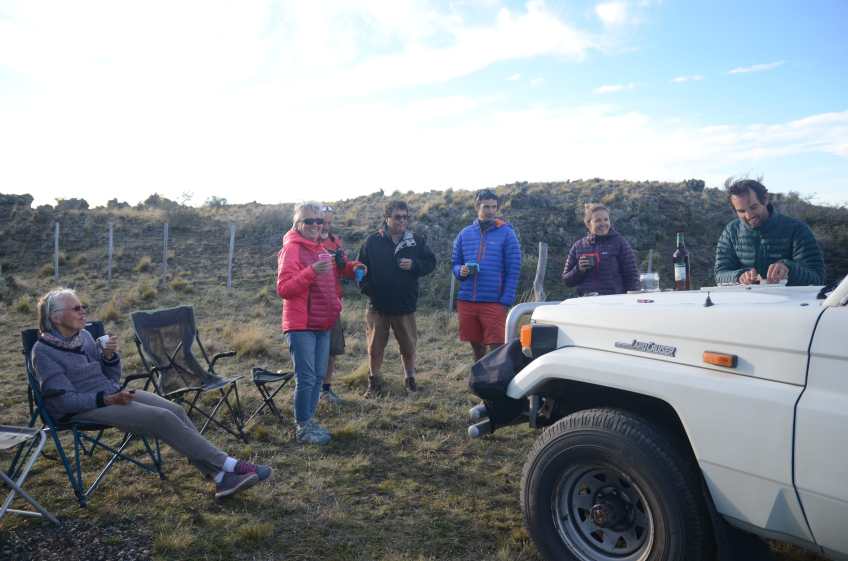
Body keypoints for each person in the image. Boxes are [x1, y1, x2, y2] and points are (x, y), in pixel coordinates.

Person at [31, 288, 272, 500]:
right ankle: (230, 465)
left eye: (83, 306)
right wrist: (105, 399)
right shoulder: (43, 353)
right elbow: (62, 402)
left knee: (175, 410)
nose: (83, 311)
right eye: (76, 308)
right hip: (82, 408)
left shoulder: (83, 337)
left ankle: (220, 478)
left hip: (110, 394)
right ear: (56, 317)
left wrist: (109, 357)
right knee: (161, 418)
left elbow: (110, 378)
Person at [276, 201, 340, 444]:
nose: (315, 225)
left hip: (322, 323)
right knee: (306, 377)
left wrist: (336, 305)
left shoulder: (320, 249)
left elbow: (328, 287)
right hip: (300, 323)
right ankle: (302, 426)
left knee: (318, 375)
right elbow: (284, 289)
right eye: (309, 221)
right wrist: (311, 271)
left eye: (319, 221)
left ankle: (309, 420)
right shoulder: (291, 249)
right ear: (297, 223)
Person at [357, 200, 436, 397]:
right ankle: (374, 382)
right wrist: (368, 289)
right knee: (375, 348)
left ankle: (410, 380)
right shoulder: (372, 241)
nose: (402, 221)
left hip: (404, 305)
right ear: (387, 218)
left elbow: (431, 263)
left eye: (405, 217)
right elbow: (359, 268)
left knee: (408, 346)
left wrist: (415, 265)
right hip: (378, 306)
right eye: (397, 217)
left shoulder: (416, 240)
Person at [451, 189, 522, 361]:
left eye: (493, 207)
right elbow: (455, 264)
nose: (490, 211)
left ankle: (496, 375)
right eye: (486, 207)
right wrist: (461, 271)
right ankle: (479, 372)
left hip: (494, 301)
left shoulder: (507, 234)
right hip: (467, 300)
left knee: (497, 346)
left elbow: (513, 269)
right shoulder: (464, 234)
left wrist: (505, 300)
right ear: (477, 207)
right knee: (476, 345)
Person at [715, 178, 825, 286]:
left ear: (765, 199)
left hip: (789, 297)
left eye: (753, 207)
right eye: (741, 211)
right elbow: (720, 275)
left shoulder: (797, 229)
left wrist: (789, 269)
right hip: (745, 297)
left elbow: (817, 278)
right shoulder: (731, 231)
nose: (748, 215)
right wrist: (739, 276)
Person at [319, 205, 366, 404]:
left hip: (332, 304)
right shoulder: (306, 241)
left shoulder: (335, 242)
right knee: (314, 351)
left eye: (329, 222)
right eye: (323, 222)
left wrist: (355, 267)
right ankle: (310, 390)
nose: (326, 226)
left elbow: (343, 267)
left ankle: (326, 389)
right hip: (311, 305)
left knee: (332, 350)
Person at [562, 203, 639, 296]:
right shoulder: (578, 246)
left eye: (606, 219)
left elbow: (632, 276)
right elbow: (567, 281)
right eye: (598, 220)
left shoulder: (620, 243)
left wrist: (630, 300)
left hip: (614, 301)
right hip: (587, 301)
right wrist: (579, 269)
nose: (603, 223)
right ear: (588, 224)